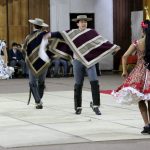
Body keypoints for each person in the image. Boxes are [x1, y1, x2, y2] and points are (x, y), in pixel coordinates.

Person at [41, 15, 120, 115]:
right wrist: (49, 34)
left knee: (94, 82)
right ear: (77, 23)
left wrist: (113, 47)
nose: (83, 23)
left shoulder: (91, 32)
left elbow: (102, 42)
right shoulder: (73, 33)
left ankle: (96, 105)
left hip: (90, 62)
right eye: (81, 22)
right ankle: (78, 107)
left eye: (85, 22)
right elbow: (60, 34)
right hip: (77, 61)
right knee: (78, 84)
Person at [112, 20, 150, 134]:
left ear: (142, 30)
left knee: (141, 99)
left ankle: (146, 125)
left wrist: (124, 71)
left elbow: (124, 56)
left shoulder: (137, 43)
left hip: (139, 73)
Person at [23, 18, 49, 109]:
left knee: (32, 82)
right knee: (41, 81)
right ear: (42, 26)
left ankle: (38, 101)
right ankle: (39, 99)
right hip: (44, 62)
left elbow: (24, 49)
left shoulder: (28, 36)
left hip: (32, 62)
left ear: (33, 26)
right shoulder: (46, 35)